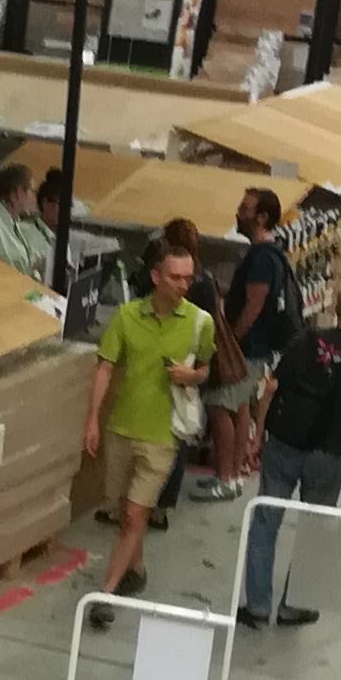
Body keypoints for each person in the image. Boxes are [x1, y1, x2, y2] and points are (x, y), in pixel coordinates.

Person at [240, 279, 341, 627]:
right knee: (314, 528)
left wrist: (259, 435)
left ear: (334, 307)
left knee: (265, 520)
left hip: (284, 441)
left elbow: (271, 388)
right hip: (327, 452)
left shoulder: (304, 340)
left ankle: (257, 605)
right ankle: (292, 606)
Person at [83, 229, 212, 603]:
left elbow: (205, 369)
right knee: (126, 512)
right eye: (175, 277)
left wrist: (191, 376)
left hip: (162, 436)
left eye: (188, 278)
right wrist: (92, 420)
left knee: (136, 514)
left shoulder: (199, 322)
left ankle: (107, 593)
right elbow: (105, 367)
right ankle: (135, 569)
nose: (183, 285)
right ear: (156, 277)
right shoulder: (126, 317)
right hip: (121, 428)